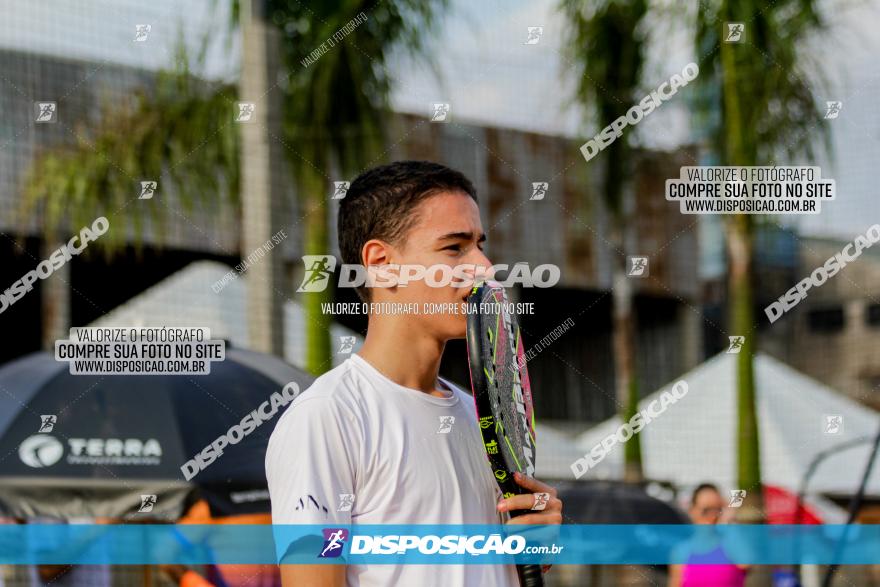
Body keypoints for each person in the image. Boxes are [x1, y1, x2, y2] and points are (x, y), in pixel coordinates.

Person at [266, 161, 563, 586]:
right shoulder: (328, 415)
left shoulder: (483, 415)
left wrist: (540, 535)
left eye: (479, 244)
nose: (484, 267)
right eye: (454, 247)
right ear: (382, 263)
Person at [668, 483, 750, 587]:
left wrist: (730, 518)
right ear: (692, 511)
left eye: (717, 509)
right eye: (706, 510)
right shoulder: (681, 551)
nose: (712, 516)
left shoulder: (730, 543)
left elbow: (746, 563)